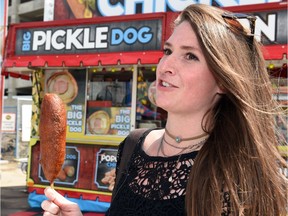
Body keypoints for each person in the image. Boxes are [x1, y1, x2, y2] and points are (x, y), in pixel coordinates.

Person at [41, 4, 287, 216]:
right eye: (168, 51)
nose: (166, 65)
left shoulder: (237, 172)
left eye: (190, 56)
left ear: (223, 80)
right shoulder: (132, 146)